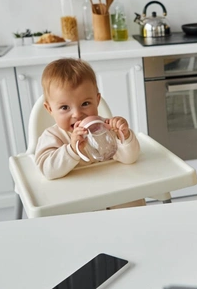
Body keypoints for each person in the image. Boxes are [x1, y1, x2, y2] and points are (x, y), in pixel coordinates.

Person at [35, 58, 143, 208]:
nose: (77, 114)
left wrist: (123, 136)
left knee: (133, 202)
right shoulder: (52, 137)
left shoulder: (104, 129)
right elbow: (48, 170)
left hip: (114, 195)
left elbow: (130, 158)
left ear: (97, 101)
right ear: (49, 109)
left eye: (85, 104)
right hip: (78, 204)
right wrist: (72, 150)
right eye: (65, 107)